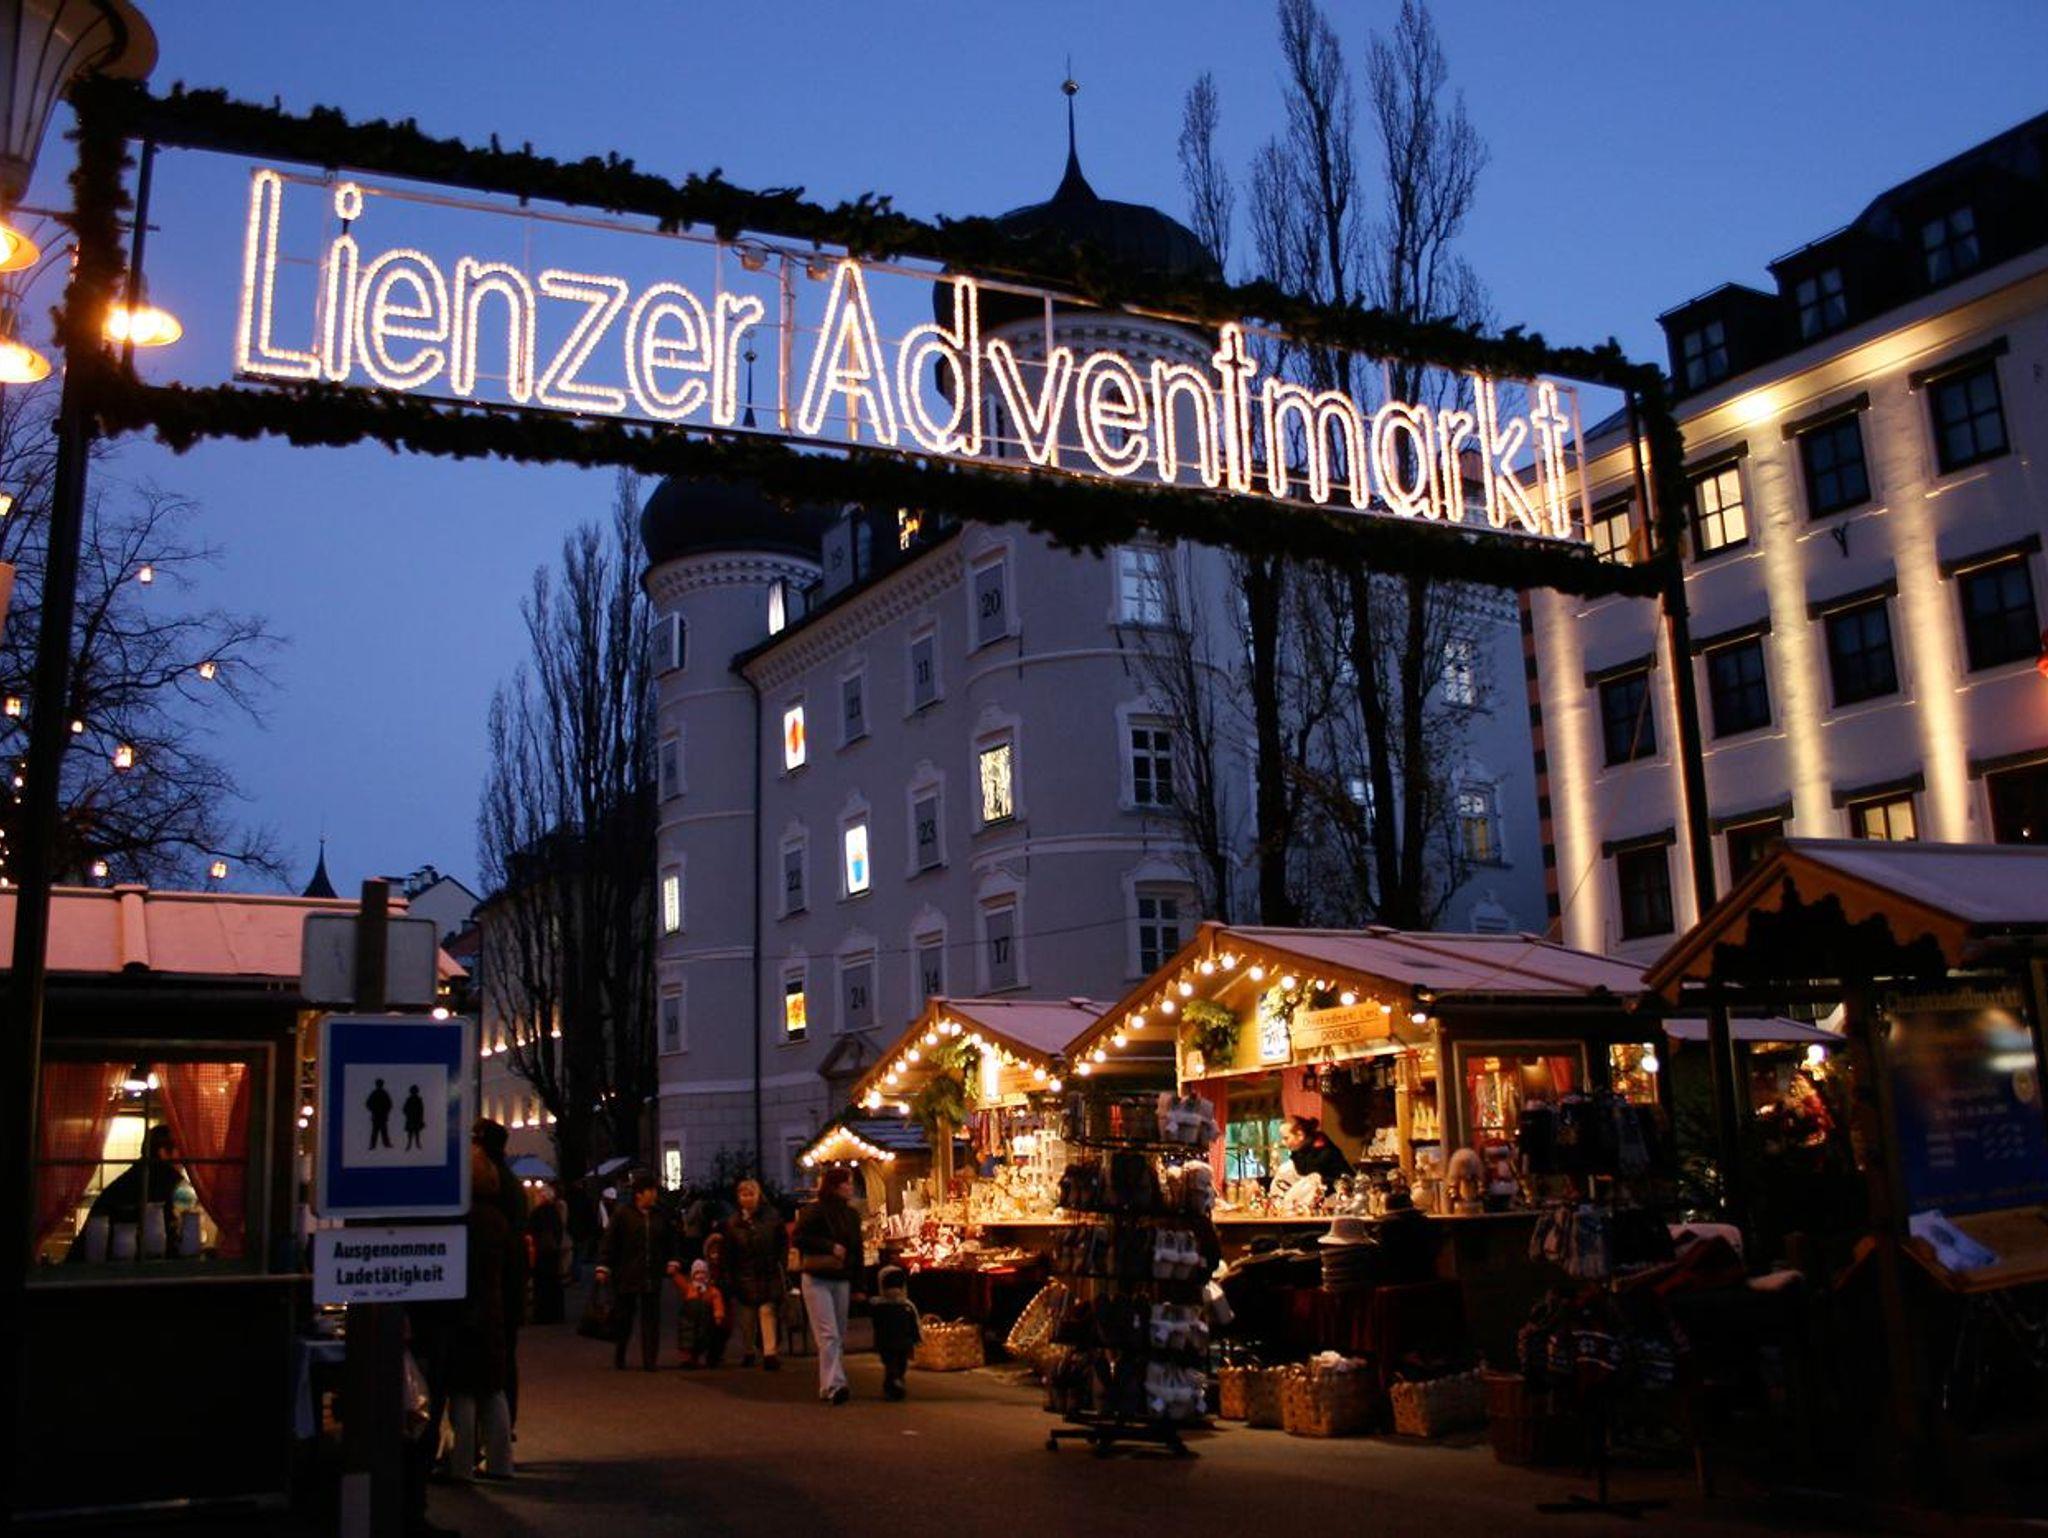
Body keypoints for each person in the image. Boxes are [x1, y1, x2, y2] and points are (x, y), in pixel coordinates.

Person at [448, 1138, 513, 1481]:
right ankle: (501, 1462)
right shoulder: (498, 1219)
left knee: (463, 1389)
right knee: (492, 1387)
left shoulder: (462, 1219)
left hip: (465, 1309)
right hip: (493, 1308)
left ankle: (460, 1464)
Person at [471, 1120, 528, 1427]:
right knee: (503, 1360)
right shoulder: (511, 1184)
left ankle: (497, 1432)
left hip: (494, 1290)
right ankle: (504, 1430)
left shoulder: (493, 1189)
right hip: (508, 1287)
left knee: (491, 1366)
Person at [791, 1165, 863, 1405]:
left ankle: (828, 1384)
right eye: (847, 1183)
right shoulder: (815, 1211)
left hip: (839, 1277)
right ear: (835, 1186)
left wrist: (858, 1284)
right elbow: (799, 1238)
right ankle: (835, 1385)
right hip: (817, 1277)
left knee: (836, 1334)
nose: (851, 1187)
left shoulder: (851, 1215)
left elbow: (857, 1250)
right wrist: (830, 1247)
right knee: (829, 1334)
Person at [596, 1173, 679, 1371]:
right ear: (639, 1194)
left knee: (651, 1318)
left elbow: (671, 1240)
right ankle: (620, 1353)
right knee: (624, 1317)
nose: (654, 1194)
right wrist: (604, 1265)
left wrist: (673, 1260)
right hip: (627, 1273)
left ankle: (650, 1360)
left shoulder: (660, 1215)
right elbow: (610, 1241)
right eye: (651, 1191)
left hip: (652, 1272)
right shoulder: (623, 1214)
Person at [724, 1178, 787, 1370]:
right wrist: (729, 1276)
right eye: (744, 1195)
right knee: (747, 1317)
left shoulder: (771, 1217)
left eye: (751, 1194)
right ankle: (749, 1349)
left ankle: (769, 1352)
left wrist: (781, 1263)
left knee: (767, 1311)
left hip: (767, 1271)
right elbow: (729, 1252)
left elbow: (781, 1242)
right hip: (744, 1274)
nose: (748, 1198)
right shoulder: (733, 1223)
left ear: (758, 1195)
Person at [870, 1265, 922, 1400]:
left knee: (901, 1365)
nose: (894, 1292)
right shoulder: (879, 1306)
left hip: (903, 1343)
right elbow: (876, 1324)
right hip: (886, 1343)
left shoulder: (907, 1306)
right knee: (891, 1365)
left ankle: (895, 1383)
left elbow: (914, 1323)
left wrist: (916, 1338)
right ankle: (894, 1384)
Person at [673, 1258, 729, 1368]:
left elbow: (718, 1302)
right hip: (689, 1319)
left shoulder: (712, 1290)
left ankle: (698, 1357)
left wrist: (718, 1315)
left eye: (703, 1273)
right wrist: (675, 1274)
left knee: (703, 1337)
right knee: (687, 1337)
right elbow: (680, 1282)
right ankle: (686, 1358)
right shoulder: (689, 1287)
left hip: (704, 1319)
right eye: (697, 1273)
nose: (700, 1276)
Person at [528, 1181, 568, 1326]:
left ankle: (542, 1314)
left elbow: (531, 1230)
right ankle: (556, 1314)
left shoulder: (538, 1213)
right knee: (554, 1284)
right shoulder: (554, 1212)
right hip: (553, 1252)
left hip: (542, 1252)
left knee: (542, 1285)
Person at [1282, 1115, 1352, 1187]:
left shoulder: (1322, 1152)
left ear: (1300, 1135)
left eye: (1286, 1138)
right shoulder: (1301, 1153)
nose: (1283, 1142)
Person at [366, 1079, 394, 1149]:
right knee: (377, 1130)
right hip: (378, 1115)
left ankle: (383, 1144)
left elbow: (389, 1104)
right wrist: (374, 1109)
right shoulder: (378, 1093)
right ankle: (374, 1145)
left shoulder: (380, 1093)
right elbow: (368, 1104)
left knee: (381, 1130)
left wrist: (385, 1111)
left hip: (380, 1115)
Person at [402, 1086, 427, 1151]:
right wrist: (408, 1113)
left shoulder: (418, 1100)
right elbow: (404, 1109)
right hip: (411, 1118)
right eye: (413, 1091)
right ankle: (410, 1144)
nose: (414, 1092)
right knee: (411, 1133)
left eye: (414, 1091)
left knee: (416, 1132)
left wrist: (421, 1119)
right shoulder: (410, 1100)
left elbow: (421, 1111)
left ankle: (416, 1144)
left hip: (416, 1119)